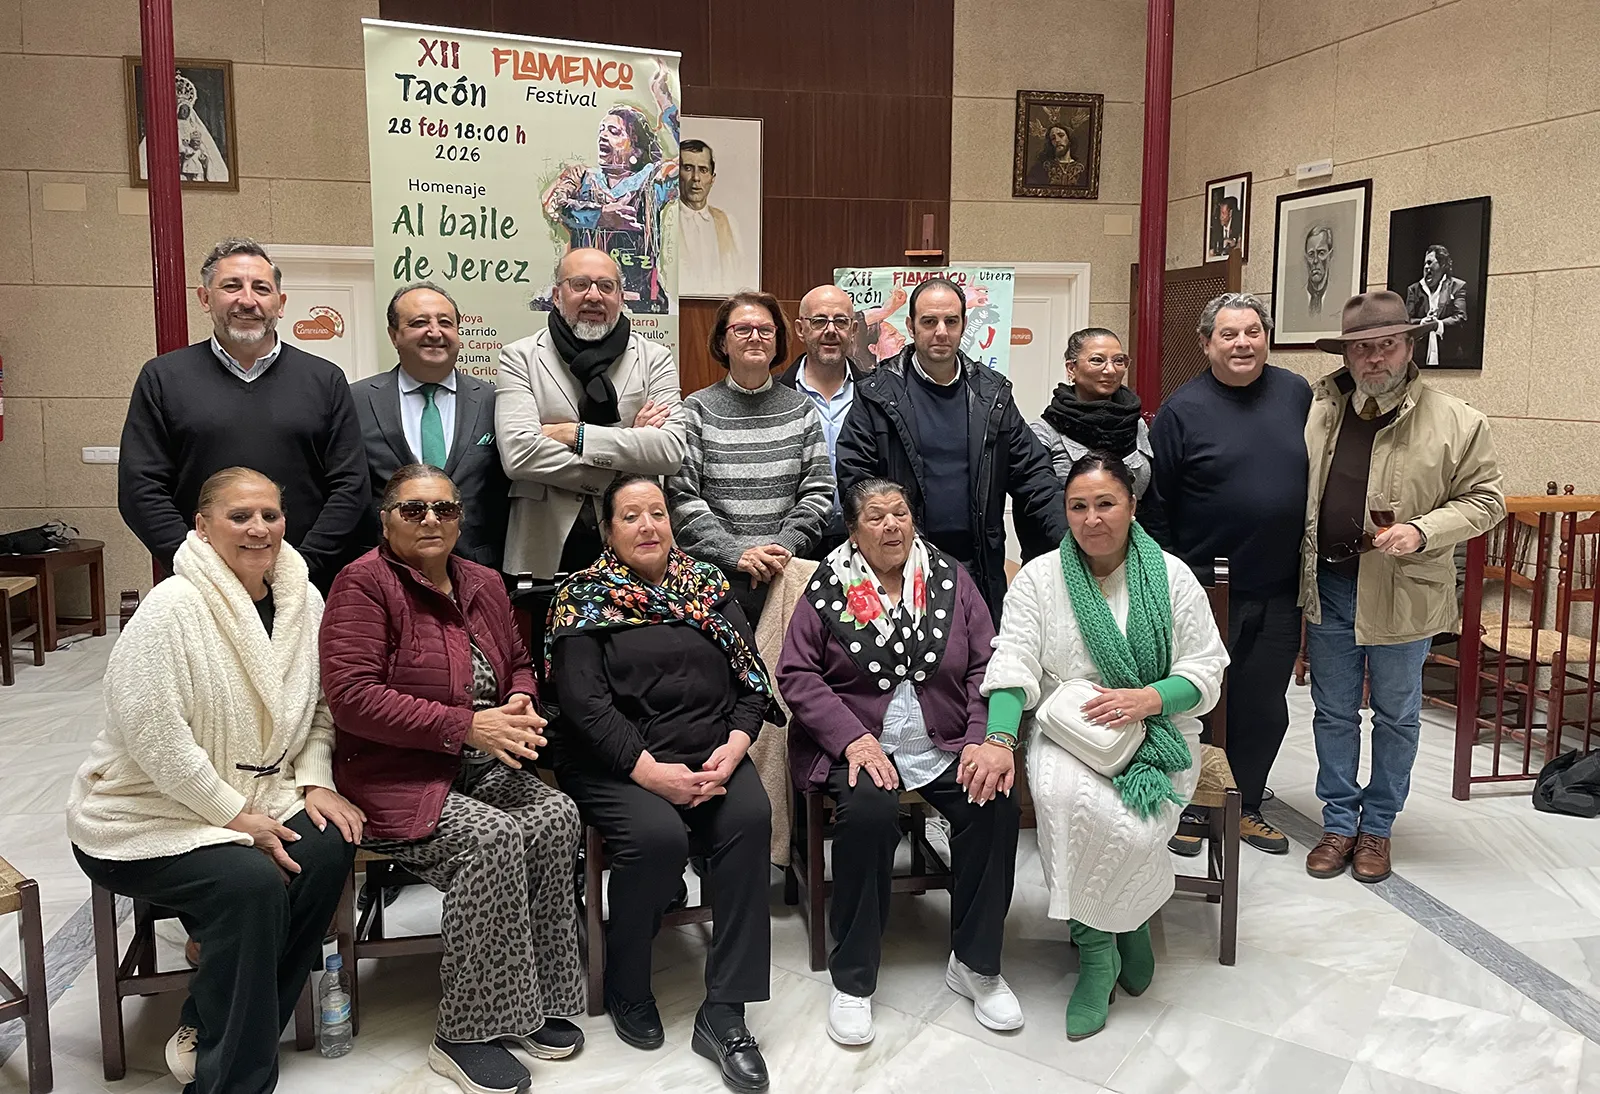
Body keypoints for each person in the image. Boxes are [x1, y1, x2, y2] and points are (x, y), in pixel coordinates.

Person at [68, 467, 362, 1094]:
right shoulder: (171, 608)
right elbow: (154, 735)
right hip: (148, 813)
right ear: (202, 527)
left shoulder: (303, 601)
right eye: (239, 516)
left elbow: (319, 709)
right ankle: (233, 1080)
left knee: (329, 844)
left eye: (270, 515)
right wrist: (230, 815)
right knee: (251, 883)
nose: (258, 529)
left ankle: (213, 1024)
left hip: (265, 796)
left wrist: (313, 780)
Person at [320, 463, 584, 1094]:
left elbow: (519, 663)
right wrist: (466, 726)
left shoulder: (485, 581)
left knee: (556, 816)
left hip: (479, 761)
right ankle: (463, 1032)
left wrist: (519, 702)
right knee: (490, 840)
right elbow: (351, 696)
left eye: (444, 508)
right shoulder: (362, 585)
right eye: (413, 510)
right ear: (385, 519)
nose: (431, 520)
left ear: (461, 517)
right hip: (395, 774)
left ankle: (529, 1003)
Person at [981, 452, 1228, 1041]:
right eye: (1079, 506)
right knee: (1067, 804)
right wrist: (998, 736)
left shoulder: (1170, 575)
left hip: (1159, 733)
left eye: (1106, 503)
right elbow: (1013, 659)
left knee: (1137, 822)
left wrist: (1148, 698)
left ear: (1132, 506)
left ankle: (1131, 921)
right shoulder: (1041, 578)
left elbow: (1207, 666)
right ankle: (1099, 958)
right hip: (1067, 731)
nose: (1093, 519)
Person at [548, 475, 776, 1092]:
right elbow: (584, 706)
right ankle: (627, 980)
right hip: (615, 761)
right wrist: (650, 773)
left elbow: (751, 678)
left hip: (712, 753)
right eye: (631, 516)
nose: (648, 526)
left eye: (657, 513)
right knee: (657, 840)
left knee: (750, 821)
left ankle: (725, 1013)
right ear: (608, 531)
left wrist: (736, 746)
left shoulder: (706, 584)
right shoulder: (581, 598)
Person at [777, 478, 1022, 1046]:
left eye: (901, 513)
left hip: (946, 738)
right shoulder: (828, 585)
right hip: (857, 743)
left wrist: (985, 739)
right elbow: (797, 674)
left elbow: (988, 664)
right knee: (867, 815)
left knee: (995, 802)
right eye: (877, 516)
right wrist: (852, 741)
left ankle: (976, 963)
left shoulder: (950, 578)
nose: (892, 525)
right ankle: (854, 979)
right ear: (854, 531)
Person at [1300, 292, 1504, 883]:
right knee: (1333, 712)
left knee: (1396, 716)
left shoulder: (1459, 422)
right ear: (1348, 354)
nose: (1373, 359)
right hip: (1330, 586)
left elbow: (1487, 501)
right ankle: (1339, 822)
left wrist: (1423, 529)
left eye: (1385, 345)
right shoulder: (1320, 407)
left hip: (1403, 590)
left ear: (1408, 346)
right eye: (1361, 348)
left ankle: (1378, 827)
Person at [1148, 293, 1311, 856]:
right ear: (1206, 343)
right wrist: (1172, 580)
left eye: (1253, 332)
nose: (1243, 343)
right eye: (1229, 334)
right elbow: (1157, 504)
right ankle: (1193, 805)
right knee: (1200, 703)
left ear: (1267, 336)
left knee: (1264, 706)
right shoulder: (1181, 411)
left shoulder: (1296, 393)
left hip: (1280, 585)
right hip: (1205, 588)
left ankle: (1249, 805)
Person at [118, 237, 369, 594]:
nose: (247, 300)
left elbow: (351, 486)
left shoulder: (325, 379)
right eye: (231, 286)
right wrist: (197, 566)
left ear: (280, 304)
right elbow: (140, 488)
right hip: (200, 588)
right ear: (205, 298)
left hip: (305, 582)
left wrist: (303, 566)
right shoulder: (163, 379)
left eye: (261, 288)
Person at [835, 277, 1066, 623]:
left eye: (951, 321)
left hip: (977, 567)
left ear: (963, 324)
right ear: (911, 326)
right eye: (929, 321)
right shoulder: (876, 395)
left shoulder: (993, 396)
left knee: (980, 668)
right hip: (899, 568)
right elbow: (856, 482)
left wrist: (1072, 538)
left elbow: (1034, 476)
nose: (941, 331)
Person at [497, 247, 686, 650]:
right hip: (544, 545)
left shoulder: (654, 358)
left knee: (633, 656)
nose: (593, 297)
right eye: (580, 285)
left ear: (621, 295)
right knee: (547, 663)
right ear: (557, 294)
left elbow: (670, 450)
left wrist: (574, 435)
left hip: (634, 539)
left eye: (606, 286)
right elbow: (518, 454)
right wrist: (632, 452)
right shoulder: (520, 357)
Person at [668, 291, 835, 619]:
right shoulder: (696, 409)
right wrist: (736, 554)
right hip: (715, 580)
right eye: (742, 329)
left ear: (777, 342)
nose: (755, 337)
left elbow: (818, 492)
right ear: (722, 342)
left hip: (786, 575)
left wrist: (783, 547)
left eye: (766, 330)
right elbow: (682, 498)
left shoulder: (801, 409)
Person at [350, 282, 509, 570]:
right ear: (393, 335)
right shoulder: (355, 401)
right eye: (419, 323)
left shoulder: (494, 401)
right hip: (384, 571)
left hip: (476, 570)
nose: (435, 332)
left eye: (445, 323)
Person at [542, 61, 679, 313]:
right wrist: (600, 217)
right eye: (601, 131)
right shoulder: (581, 177)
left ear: (635, 148)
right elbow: (553, 204)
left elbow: (691, 161)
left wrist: (664, 101)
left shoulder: (654, 181)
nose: (603, 136)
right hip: (582, 300)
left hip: (640, 303)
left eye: (614, 132)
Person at [777, 284, 870, 558]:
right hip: (791, 545)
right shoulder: (777, 394)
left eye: (841, 321)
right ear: (800, 329)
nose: (831, 330)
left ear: (853, 331)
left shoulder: (876, 396)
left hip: (862, 544)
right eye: (819, 321)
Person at [1030, 327, 1159, 508]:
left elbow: (1155, 499)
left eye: (1118, 361)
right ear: (1071, 368)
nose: (1110, 370)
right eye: (1097, 360)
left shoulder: (1136, 423)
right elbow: (1037, 505)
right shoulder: (1046, 431)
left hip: (1135, 534)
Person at [678, 138, 746, 296]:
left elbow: (738, 274)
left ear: (712, 178)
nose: (696, 178)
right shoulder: (663, 220)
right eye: (688, 168)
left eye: (703, 170)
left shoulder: (728, 222)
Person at [1404, 245, 1469, 369]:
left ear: (1443, 264)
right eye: (1424, 264)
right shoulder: (1414, 289)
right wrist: (1422, 323)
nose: (1426, 267)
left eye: (1430, 262)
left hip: (1450, 356)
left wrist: (1438, 325)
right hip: (1418, 359)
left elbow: (1461, 317)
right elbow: (1406, 321)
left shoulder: (1457, 286)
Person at [1026, 123, 1083, 188]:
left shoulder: (1081, 169)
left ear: (1069, 139)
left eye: (1061, 135)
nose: (1057, 140)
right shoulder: (1041, 168)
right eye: (1053, 138)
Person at [1304, 225, 1335, 317]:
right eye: (1311, 254)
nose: (1315, 261)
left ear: (1330, 255)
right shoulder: (1294, 299)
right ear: (1306, 258)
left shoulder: (1340, 298)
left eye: (1321, 253)